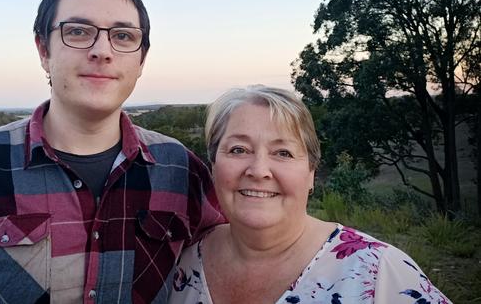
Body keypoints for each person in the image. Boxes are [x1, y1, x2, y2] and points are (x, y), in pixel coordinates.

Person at [0, 0, 224, 303]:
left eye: (123, 36)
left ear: (141, 59)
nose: (102, 51)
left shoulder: (181, 170)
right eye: (78, 31)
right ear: (43, 51)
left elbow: (240, 256)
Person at [170, 85, 451, 303]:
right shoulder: (179, 262)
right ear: (213, 165)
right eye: (238, 150)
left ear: (311, 173)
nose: (258, 170)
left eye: (283, 153)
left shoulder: (379, 273)